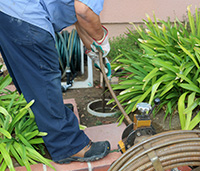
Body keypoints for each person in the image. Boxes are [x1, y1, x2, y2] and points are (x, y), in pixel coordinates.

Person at [0, 0, 111, 164]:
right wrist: (101, 39)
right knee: (43, 78)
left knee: (29, 74)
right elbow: (84, 11)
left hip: (8, 11)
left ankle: (51, 113)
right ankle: (68, 146)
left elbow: (79, 17)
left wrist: (93, 50)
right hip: (26, 18)